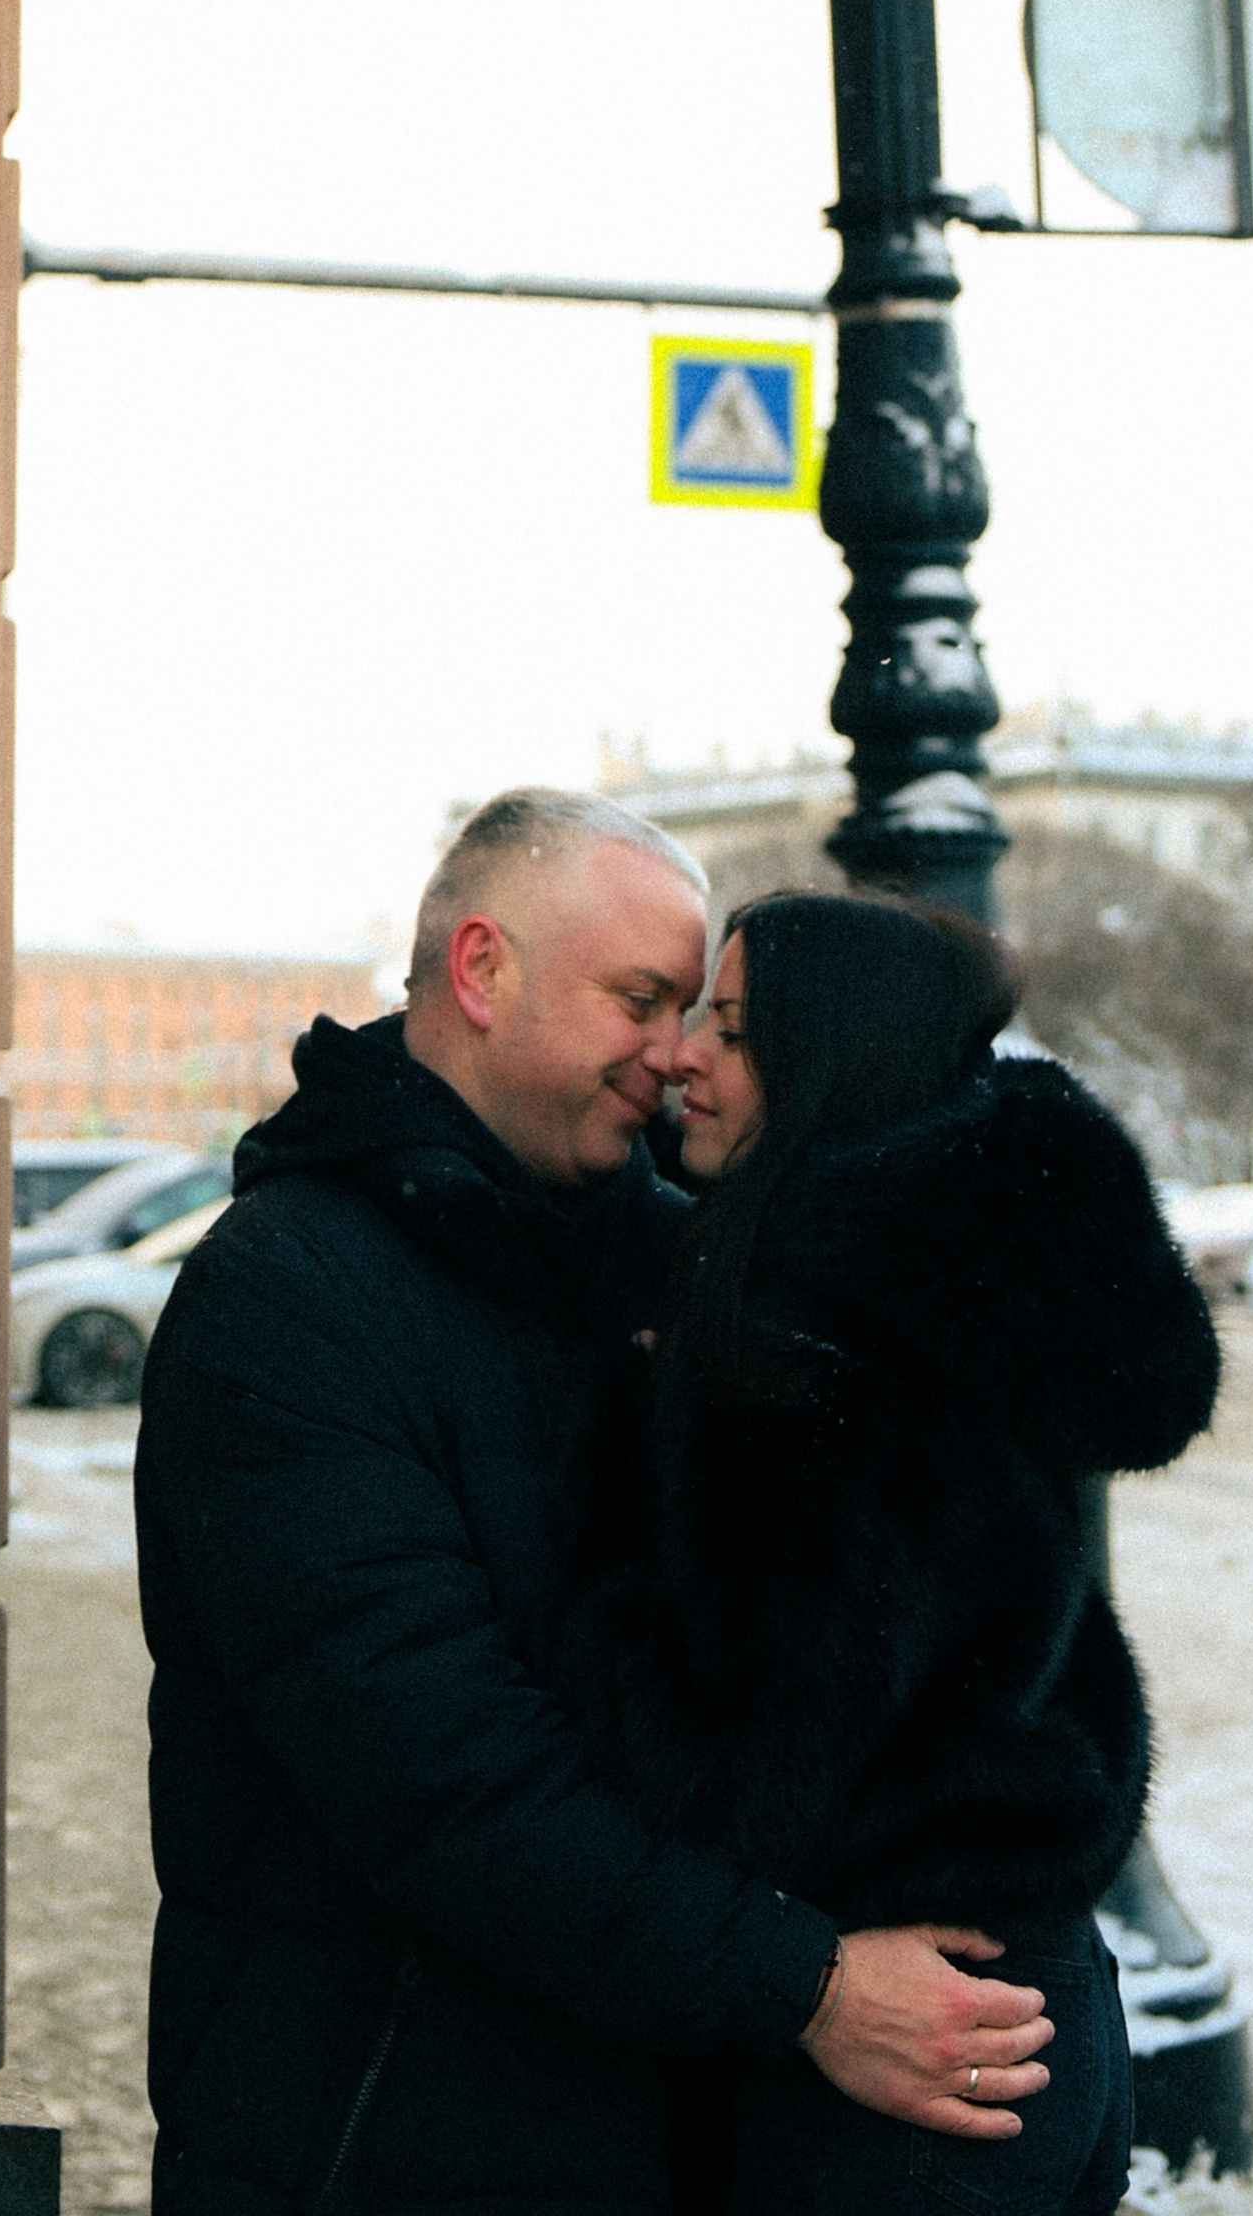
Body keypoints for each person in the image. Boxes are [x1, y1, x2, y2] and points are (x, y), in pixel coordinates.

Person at [134, 793, 1062, 2216]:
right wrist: (801, 1984)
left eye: (701, 1014)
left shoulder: (686, 1268)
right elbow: (444, 1776)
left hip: (656, 2131)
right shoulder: (287, 1298)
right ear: (483, 969)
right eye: (641, 1000)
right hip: (370, 2143)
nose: (676, 1054)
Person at [572, 891, 1222, 2214]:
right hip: (1033, 1986)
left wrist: (595, 1511)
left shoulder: (808, 1350)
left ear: (836, 1066)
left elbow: (753, 1766)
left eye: (737, 1032)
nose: (686, 1054)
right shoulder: (961, 1295)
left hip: (903, 2052)